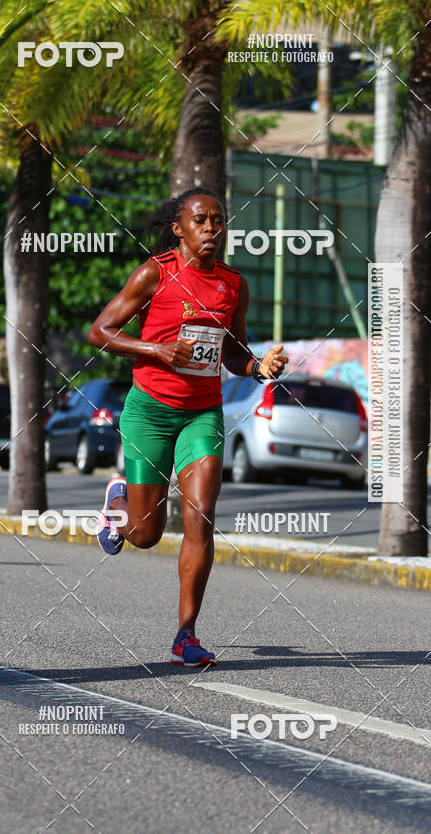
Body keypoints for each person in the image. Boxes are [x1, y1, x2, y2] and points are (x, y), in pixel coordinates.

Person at [87, 188, 288, 667]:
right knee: (144, 535)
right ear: (179, 228)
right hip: (150, 410)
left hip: (202, 412)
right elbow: (100, 332)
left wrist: (259, 366)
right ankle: (119, 500)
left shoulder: (232, 284)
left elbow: (233, 351)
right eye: (201, 220)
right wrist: (158, 350)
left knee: (200, 515)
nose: (212, 229)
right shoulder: (154, 272)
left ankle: (186, 635)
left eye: (219, 220)